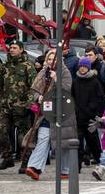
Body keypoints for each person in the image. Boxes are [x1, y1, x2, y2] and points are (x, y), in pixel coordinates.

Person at [23, 50, 76, 180]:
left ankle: (65, 169)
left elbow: (66, 90)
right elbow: (34, 89)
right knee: (43, 138)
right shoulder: (42, 72)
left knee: (63, 140)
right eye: (50, 58)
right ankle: (34, 167)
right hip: (45, 111)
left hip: (62, 111)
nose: (52, 61)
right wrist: (38, 97)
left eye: (54, 59)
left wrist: (56, 79)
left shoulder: (65, 72)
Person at [0, 39, 36, 172]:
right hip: (6, 106)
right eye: (10, 47)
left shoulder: (28, 66)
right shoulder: (5, 66)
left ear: (21, 49)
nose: (11, 49)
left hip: (21, 107)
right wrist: (1, 101)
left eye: (14, 47)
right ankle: (7, 158)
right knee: (0, 132)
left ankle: (26, 161)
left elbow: (33, 87)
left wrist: (28, 104)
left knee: (23, 137)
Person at [72, 57, 105, 167]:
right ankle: (77, 165)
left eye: (84, 67)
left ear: (88, 68)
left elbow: (100, 98)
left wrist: (93, 111)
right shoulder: (75, 81)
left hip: (90, 117)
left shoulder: (95, 82)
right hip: (78, 117)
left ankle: (100, 161)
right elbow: (72, 97)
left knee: (93, 141)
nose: (82, 69)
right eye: (80, 66)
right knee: (78, 142)